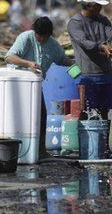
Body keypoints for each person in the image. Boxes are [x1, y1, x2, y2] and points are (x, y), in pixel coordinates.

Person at [5, 16, 73, 156]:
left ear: (49, 34)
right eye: (39, 36)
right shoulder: (26, 38)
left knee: (41, 116)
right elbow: (9, 57)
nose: (41, 39)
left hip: (35, 86)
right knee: (18, 119)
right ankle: (15, 150)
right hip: (18, 85)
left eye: (44, 36)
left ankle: (40, 151)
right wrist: (28, 63)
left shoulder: (53, 45)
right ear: (34, 31)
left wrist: (76, 67)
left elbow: (62, 60)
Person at [67, 0, 112, 120]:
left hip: (106, 74)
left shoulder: (103, 20)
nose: (101, 7)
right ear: (90, 6)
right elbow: (84, 43)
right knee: (86, 112)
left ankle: (103, 140)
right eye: (98, 4)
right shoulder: (75, 23)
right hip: (87, 75)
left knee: (104, 112)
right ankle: (87, 141)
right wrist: (102, 46)